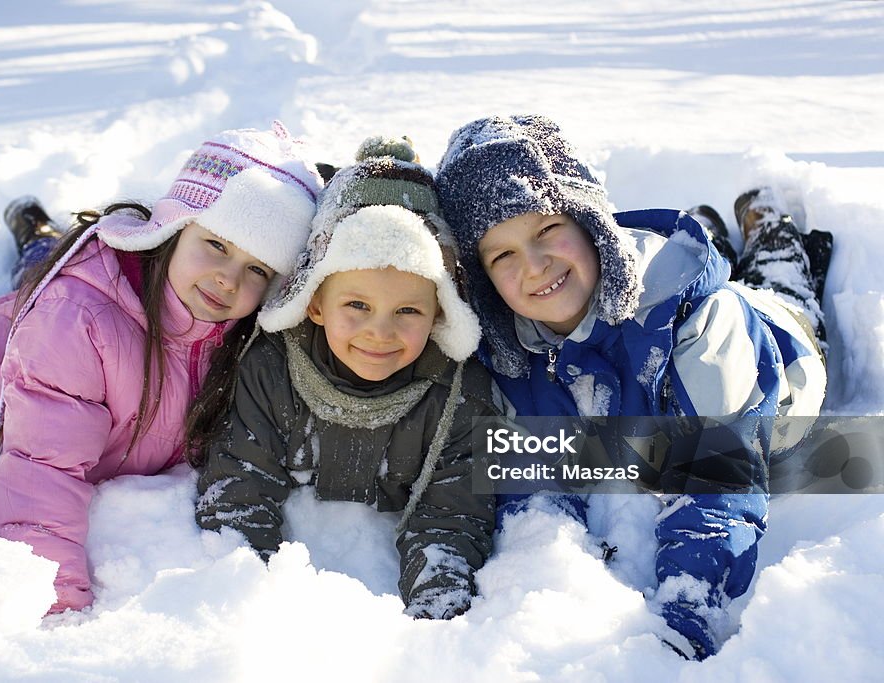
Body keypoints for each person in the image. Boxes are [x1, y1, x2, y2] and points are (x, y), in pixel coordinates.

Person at [0, 124, 323, 615]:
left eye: (258, 269)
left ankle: (37, 235)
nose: (228, 278)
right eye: (217, 245)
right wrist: (55, 598)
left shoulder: (241, 334)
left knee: (43, 266)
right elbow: (42, 472)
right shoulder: (75, 327)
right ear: (173, 228)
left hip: (68, 310)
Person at [434, 115, 829, 659]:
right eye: (502, 255)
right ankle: (714, 230)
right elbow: (531, 479)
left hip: (771, 359)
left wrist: (685, 616)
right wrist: (541, 581)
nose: (534, 264)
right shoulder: (509, 347)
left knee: (778, 294)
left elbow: (716, 484)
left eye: (547, 230)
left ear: (589, 220)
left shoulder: (701, 323)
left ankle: (774, 241)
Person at [193, 137, 500, 620]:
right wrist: (248, 605)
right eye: (357, 305)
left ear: (439, 313)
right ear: (314, 303)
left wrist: (439, 624)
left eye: (408, 310)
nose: (380, 332)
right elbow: (239, 486)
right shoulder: (273, 368)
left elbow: (451, 518)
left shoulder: (458, 396)